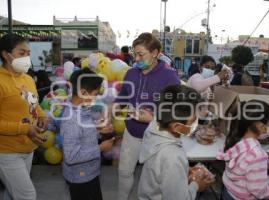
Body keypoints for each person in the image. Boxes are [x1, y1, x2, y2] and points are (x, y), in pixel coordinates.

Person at [115, 32, 180, 200]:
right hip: (132, 132)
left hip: (156, 136)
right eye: (135, 54)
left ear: (155, 53)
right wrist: (112, 108)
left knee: (154, 180)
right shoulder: (131, 73)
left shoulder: (170, 76)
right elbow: (123, 96)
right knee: (124, 172)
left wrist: (152, 118)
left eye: (141, 54)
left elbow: (177, 111)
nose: (136, 59)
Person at [138, 85, 214, 200]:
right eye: (193, 121)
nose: (196, 124)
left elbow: (162, 168)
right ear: (177, 126)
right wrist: (196, 186)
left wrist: (182, 170)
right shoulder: (173, 157)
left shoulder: (154, 127)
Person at [0, 33, 48, 200]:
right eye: (21, 53)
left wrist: (42, 116)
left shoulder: (28, 79)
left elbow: (33, 104)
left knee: (11, 194)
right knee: (26, 195)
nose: (27, 57)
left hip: (28, 149)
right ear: (6, 54)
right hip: (6, 152)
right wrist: (24, 128)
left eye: (28, 53)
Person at [61, 68, 115, 200]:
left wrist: (98, 130)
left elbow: (81, 135)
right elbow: (71, 156)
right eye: (95, 94)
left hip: (88, 173)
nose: (96, 98)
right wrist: (100, 148)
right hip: (81, 178)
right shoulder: (72, 119)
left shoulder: (82, 109)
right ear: (83, 92)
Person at [217, 100, 269, 200]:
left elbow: (241, 165)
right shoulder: (257, 154)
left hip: (228, 192)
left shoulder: (232, 138)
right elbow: (259, 191)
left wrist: (262, 162)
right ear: (261, 126)